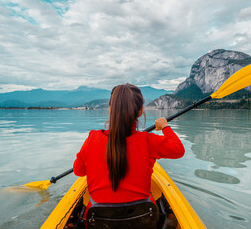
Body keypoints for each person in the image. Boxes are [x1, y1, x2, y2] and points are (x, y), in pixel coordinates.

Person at [73, 83, 185, 219]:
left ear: (110, 110)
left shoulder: (92, 138)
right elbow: (178, 150)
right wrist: (165, 127)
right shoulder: (149, 141)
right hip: (141, 220)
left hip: (99, 220)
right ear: (140, 112)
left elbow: (79, 171)